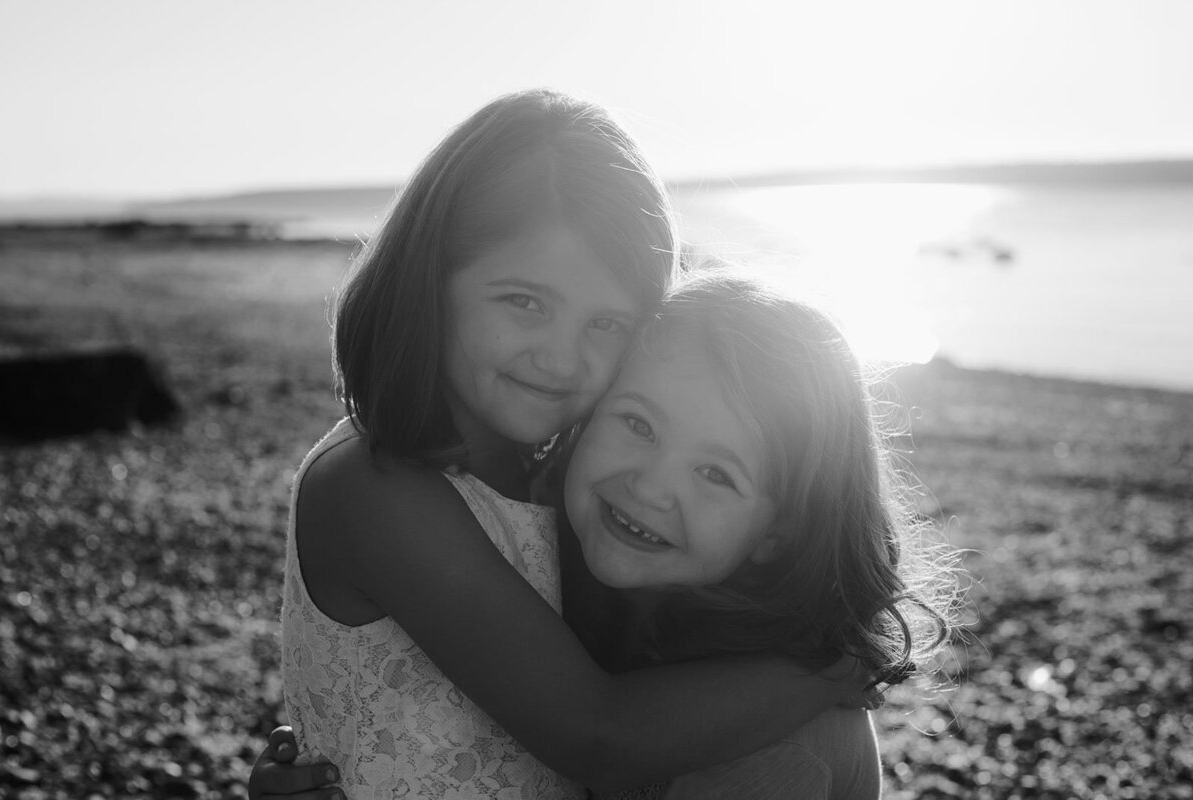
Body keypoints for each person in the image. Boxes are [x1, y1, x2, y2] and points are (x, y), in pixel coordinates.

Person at [267, 91, 878, 800]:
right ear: (430, 278)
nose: (561, 360)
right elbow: (597, 734)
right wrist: (828, 672)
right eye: (525, 302)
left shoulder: (551, 481)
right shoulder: (374, 489)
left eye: (607, 324)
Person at [253, 263, 958, 799]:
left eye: (718, 475)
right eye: (638, 424)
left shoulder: (774, 741)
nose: (651, 486)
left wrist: (832, 671)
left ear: (781, 533)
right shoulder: (586, 597)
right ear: (587, 415)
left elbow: (602, 739)